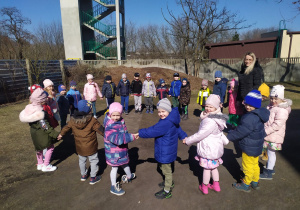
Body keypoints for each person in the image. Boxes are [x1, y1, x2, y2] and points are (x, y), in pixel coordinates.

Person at [137, 98, 187, 199]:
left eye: (163, 111)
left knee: (166, 170)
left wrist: (140, 133)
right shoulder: (171, 119)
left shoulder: (165, 123)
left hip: (165, 151)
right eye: (159, 112)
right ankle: (170, 182)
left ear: (168, 110)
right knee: (164, 167)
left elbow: (153, 131)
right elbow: (178, 128)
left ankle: (167, 190)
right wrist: (183, 136)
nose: (161, 114)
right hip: (168, 150)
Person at [183, 94, 229, 194]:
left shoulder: (210, 121)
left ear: (216, 107)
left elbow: (200, 135)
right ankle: (216, 185)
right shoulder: (218, 117)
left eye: (210, 107)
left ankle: (204, 187)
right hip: (216, 149)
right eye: (206, 106)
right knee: (214, 168)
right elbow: (220, 133)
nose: (207, 108)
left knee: (207, 169)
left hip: (208, 149)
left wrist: (188, 140)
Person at [227, 90, 270, 192]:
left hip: (249, 147)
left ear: (256, 105)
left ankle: (246, 184)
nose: (248, 107)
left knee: (247, 166)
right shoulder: (259, 115)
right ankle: (255, 181)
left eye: (251, 105)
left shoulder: (250, 117)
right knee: (255, 164)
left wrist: (228, 137)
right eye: (246, 104)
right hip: (256, 146)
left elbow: (240, 132)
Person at [58, 100, 104, 185]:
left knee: (82, 160)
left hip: (79, 146)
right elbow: (101, 130)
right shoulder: (92, 120)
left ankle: (83, 175)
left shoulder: (72, 120)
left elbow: (66, 127)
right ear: (89, 110)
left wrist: (61, 134)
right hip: (91, 146)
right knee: (93, 160)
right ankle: (93, 177)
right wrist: (108, 136)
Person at [19, 88, 59, 172]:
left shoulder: (30, 109)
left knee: (39, 149)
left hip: (34, 133)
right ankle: (46, 165)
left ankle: (40, 163)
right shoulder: (40, 112)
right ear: (41, 101)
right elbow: (45, 126)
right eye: (45, 99)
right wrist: (55, 134)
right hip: (42, 134)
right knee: (50, 147)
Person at [103, 102, 138, 196]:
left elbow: (124, 133)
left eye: (117, 115)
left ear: (121, 114)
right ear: (110, 114)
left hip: (121, 150)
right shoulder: (110, 126)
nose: (115, 117)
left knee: (125, 163)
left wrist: (128, 136)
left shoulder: (121, 121)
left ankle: (129, 176)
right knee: (114, 168)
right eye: (113, 115)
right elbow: (118, 139)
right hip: (113, 152)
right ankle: (113, 186)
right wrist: (132, 137)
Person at [260, 85, 292, 180]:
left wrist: (266, 131)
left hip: (274, 136)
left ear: (281, 99)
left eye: (275, 99)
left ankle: (268, 172)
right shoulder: (271, 106)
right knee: (270, 153)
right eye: (271, 98)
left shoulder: (282, 110)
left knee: (271, 153)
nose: (273, 101)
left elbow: (277, 125)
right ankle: (271, 168)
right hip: (270, 135)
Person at [258, 82, 270, 160]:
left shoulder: (267, 103)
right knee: (260, 139)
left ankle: (266, 154)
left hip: (265, 123)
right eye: (261, 95)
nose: (262, 97)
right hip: (259, 123)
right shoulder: (258, 101)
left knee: (265, 140)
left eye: (264, 96)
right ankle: (261, 151)